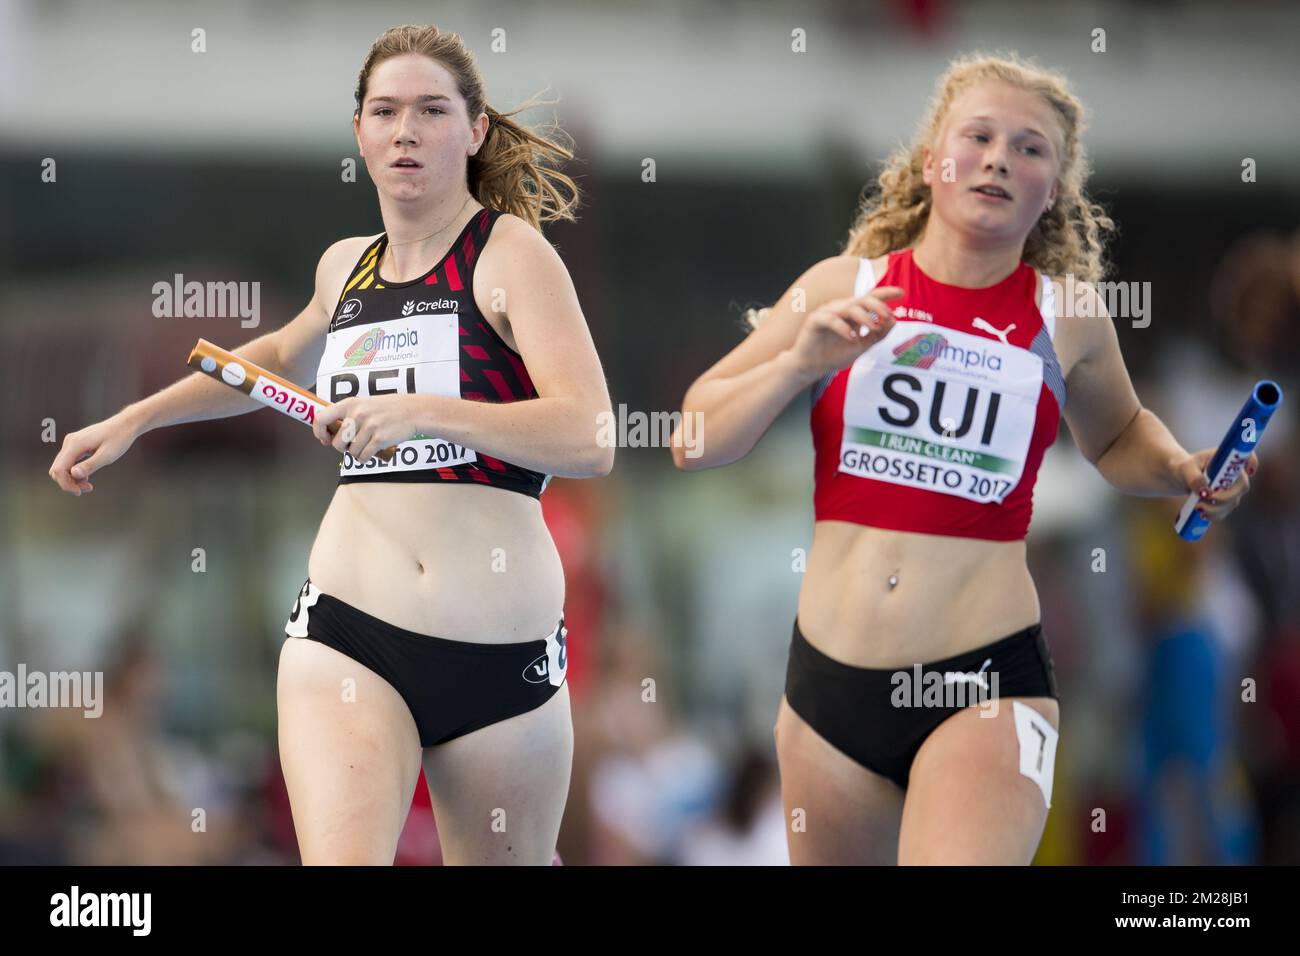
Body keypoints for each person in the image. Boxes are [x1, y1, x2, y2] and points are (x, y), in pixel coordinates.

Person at [672, 51, 1258, 864]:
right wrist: (797, 364)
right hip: (826, 690)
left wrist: (1183, 470)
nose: (998, 158)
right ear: (930, 162)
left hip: (982, 684)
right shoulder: (844, 285)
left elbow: (1120, 437)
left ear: (1053, 188)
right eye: (978, 136)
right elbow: (692, 440)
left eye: (1029, 148)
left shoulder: (1070, 317)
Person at [49, 23, 613, 865]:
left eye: (431, 109)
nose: (406, 131)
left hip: (503, 658)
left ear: (476, 129)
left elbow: (591, 435)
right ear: (359, 133)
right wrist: (134, 419)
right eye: (384, 111)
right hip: (351, 631)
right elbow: (274, 357)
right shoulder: (344, 268)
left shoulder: (511, 257)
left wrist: (429, 411)